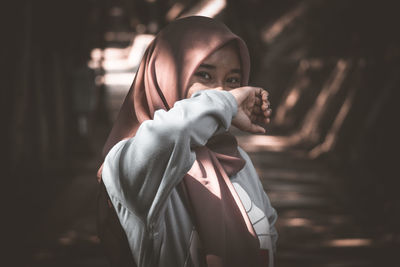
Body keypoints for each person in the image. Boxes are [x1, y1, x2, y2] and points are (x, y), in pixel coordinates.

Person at [97, 16, 278, 267]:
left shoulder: (238, 162)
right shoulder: (129, 163)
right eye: (205, 75)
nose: (223, 92)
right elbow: (173, 132)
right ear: (165, 75)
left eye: (233, 80)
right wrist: (225, 104)